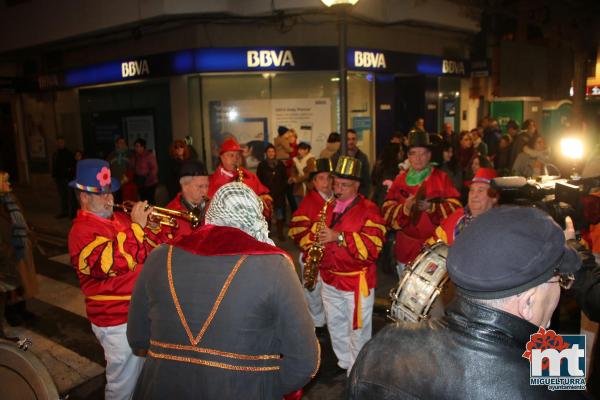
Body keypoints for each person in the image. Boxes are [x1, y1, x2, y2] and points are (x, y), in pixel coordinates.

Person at [348, 206, 584, 400]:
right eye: (561, 280)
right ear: (528, 303)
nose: (560, 293)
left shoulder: (383, 344)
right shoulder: (557, 381)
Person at [127, 182, 319, 399]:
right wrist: (266, 387)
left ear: (212, 213)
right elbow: (305, 362)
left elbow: (137, 338)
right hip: (240, 389)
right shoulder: (275, 266)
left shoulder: (160, 256)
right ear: (256, 218)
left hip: (162, 388)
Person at [68, 159, 159, 400]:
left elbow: (145, 251)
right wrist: (137, 229)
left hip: (138, 312)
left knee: (143, 378)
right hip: (115, 319)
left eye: (110, 192)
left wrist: (150, 228)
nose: (110, 199)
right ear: (84, 197)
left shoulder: (119, 219)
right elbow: (109, 264)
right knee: (123, 386)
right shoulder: (81, 231)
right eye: (102, 194)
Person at [315, 156, 386, 374]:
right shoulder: (328, 207)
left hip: (356, 282)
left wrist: (339, 237)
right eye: (336, 183)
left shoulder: (370, 209)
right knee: (335, 325)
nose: (338, 189)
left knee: (359, 329)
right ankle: (346, 363)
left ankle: (359, 370)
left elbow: (373, 248)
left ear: (357, 185)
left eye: (344, 185)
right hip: (329, 279)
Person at [382, 131, 461, 275]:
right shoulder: (399, 180)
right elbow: (386, 211)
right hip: (406, 249)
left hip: (435, 250)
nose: (418, 158)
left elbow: (456, 209)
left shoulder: (442, 178)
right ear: (408, 156)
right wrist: (405, 208)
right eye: (413, 153)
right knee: (405, 294)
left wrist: (432, 207)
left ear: (429, 155)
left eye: (423, 153)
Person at [288, 158, 334, 336]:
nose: (326, 183)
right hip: (311, 257)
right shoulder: (308, 202)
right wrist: (314, 240)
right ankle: (317, 324)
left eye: (329, 178)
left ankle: (327, 321)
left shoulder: (337, 200)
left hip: (331, 257)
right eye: (321, 178)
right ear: (314, 182)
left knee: (329, 292)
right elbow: (296, 231)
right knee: (313, 292)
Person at [0, 171, 38, 333]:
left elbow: (20, 217)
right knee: (9, 284)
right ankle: (11, 312)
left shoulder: (11, 198)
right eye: (5, 182)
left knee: (23, 279)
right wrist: (5, 249)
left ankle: (22, 309)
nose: (10, 184)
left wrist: (29, 231)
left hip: (21, 244)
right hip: (7, 248)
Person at [209, 139, 273, 219]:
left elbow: (266, 202)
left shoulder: (250, 176)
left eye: (238, 155)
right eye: (231, 155)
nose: (235, 159)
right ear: (222, 157)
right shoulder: (211, 182)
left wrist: (263, 201)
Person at [432, 167, 498, 245]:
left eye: (480, 190)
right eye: (472, 190)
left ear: (494, 197)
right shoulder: (454, 219)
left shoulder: (501, 226)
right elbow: (432, 250)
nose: (474, 195)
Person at [164, 160, 209, 243]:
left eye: (207, 186)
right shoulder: (170, 214)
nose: (205, 191)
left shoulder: (214, 206)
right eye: (200, 186)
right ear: (185, 186)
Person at [257, 144, 288, 241]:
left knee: (280, 214)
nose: (271, 153)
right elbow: (259, 180)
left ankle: (280, 233)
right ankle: (268, 232)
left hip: (279, 194)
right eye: (269, 151)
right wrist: (263, 193)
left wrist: (281, 190)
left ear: (275, 153)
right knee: (267, 215)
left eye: (273, 151)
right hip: (267, 195)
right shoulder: (262, 165)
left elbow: (284, 179)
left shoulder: (280, 164)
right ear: (266, 153)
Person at [331, 129, 371, 197]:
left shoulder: (362, 157)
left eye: (353, 139)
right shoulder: (335, 158)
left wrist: (362, 196)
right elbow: (332, 179)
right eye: (348, 139)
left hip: (358, 196)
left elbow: (366, 180)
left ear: (356, 140)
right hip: (340, 196)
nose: (351, 141)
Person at [51, 136, 75, 218]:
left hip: (67, 178)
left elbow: (71, 166)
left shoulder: (69, 154)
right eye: (58, 142)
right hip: (59, 178)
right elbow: (54, 165)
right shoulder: (55, 154)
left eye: (61, 142)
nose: (59, 144)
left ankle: (71, 213)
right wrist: (54, 175)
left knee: (70, 196)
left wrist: (68, 173)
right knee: (62, 196)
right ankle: (64, 212)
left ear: (64, 143)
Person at [131, 138, 159, 203]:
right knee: (142, 200)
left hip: (150, 183)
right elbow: (132, 168)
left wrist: (148, 178)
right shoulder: (135, 156)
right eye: (135, 146)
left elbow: (154, 169)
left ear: (142, 147)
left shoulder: (149, 156)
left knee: (150, 201)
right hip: (140, 183)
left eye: (138, 146)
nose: (136, 148)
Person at [107, 136, 133, 204]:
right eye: (120, 143)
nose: (121, 144)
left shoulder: (130, 154)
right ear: (116, 144)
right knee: (116, 202)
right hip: (114, 182)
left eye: (123, 143)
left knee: (126, 202)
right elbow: (106, 168)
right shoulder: (111, 155)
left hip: (126, 183)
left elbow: (134, 168)